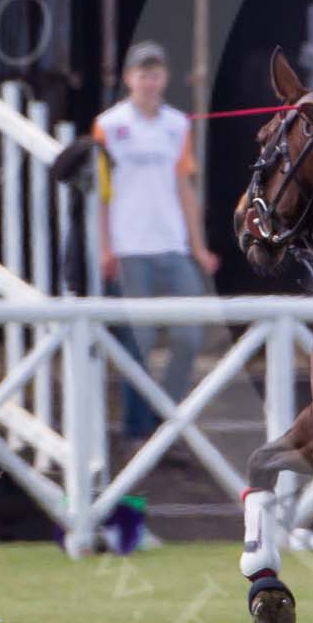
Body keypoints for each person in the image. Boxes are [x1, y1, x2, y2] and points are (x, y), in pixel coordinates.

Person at [92, 41, 221, 442]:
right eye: (142, 73)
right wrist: (105, 246)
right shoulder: (109, 125)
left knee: (188, 336)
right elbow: (102, 192)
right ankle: (137, 428)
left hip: (173, 243)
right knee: (139, 341)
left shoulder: (177, 124)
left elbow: (184, 186)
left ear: (164, 78)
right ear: (129, 78)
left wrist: (198, 247)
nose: (149, 81)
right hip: (130, 246)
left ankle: (166, 414)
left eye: (156, 73)